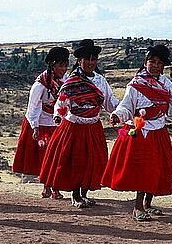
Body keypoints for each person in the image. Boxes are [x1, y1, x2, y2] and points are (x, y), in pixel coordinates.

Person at [102, 45, 172, 221]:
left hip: (158, 132)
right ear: (145, 63)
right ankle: (137, 207)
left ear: (163, 66)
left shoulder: (167, 86)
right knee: (143, 171)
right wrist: (117, 115)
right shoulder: (135, 85)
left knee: (155, 170)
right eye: (152, 62)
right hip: (140, 131)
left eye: (159, 63)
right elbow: (126, 106)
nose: (155, 65)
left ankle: (148, 203)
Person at [39, 39, 119, 208]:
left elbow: (109, 102)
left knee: (92, 161)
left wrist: (120, 112)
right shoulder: (72, 81)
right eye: (86, 59)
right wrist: (58, 116)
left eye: (93, 59)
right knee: (77, 160)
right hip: (75, 126)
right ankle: (75, 195)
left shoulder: (100, 81)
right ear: (79, 61)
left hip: (93, 126)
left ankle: (84, 193)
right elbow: (61, 103)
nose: (90, 63)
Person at [12, 46, 70, 199]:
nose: (63, 69)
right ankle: (48, 187)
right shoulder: (40, 85)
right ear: (52, 65)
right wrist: (35, 127)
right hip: (42, 123)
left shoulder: (65, 82)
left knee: (58, 156)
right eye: (60, 65)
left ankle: (55, 187)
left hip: (58, 122)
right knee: (47, 157)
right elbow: (33, 107)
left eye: (65, 65)